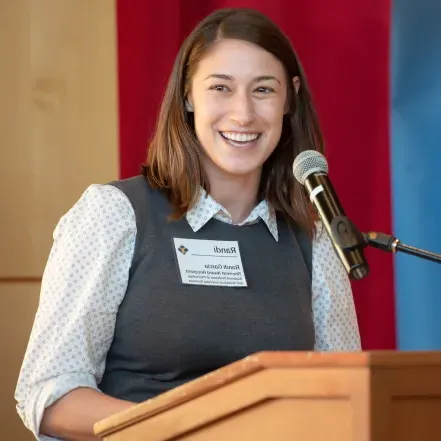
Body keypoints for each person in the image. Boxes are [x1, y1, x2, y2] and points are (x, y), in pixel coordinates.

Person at [15, 7, 361, 441]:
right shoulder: (114, 215)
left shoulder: (316, 238)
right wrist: (189, 429)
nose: (243, 114)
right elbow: (50, 396)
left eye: (263, 90)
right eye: (220, 88)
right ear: (187, 95)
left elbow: (347, 401)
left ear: (289, 98)